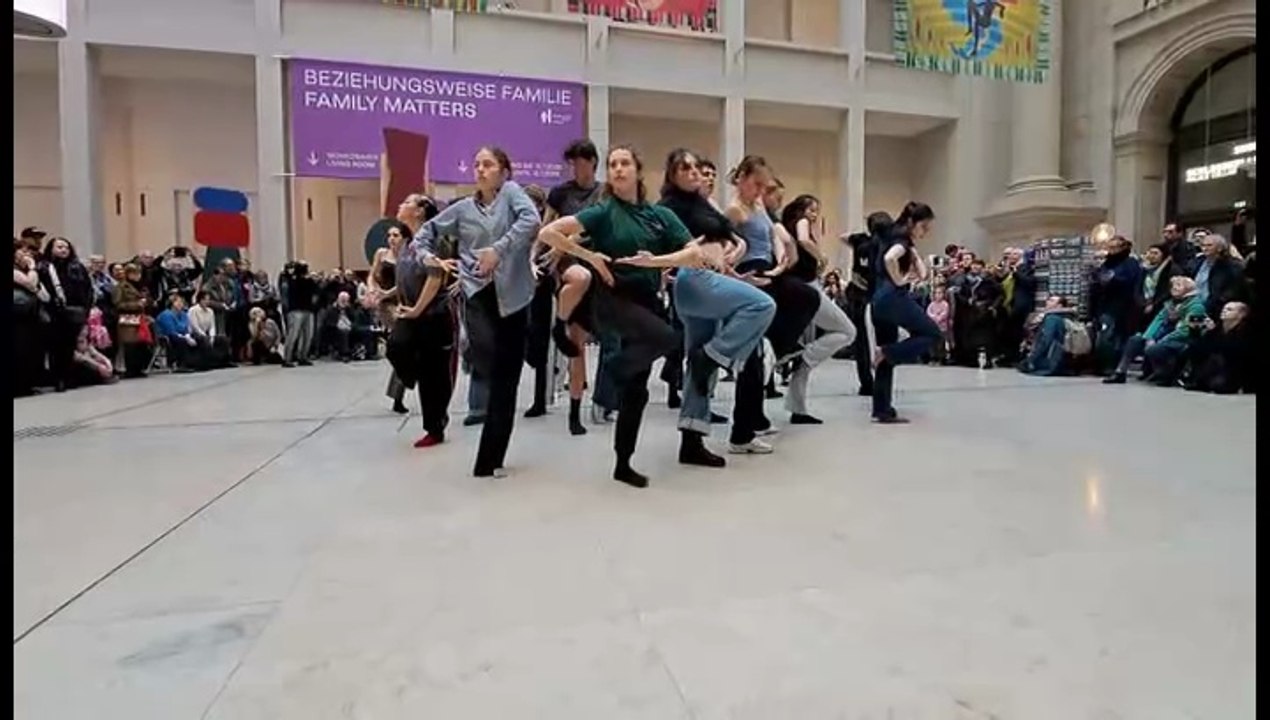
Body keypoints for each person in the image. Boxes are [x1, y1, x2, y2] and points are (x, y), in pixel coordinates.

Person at [538, 144, 708, 488]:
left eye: (624, 163)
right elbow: (548, 233)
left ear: (637, 171)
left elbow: (694, 254)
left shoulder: (660, 216)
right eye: (613, 164)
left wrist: (655, 262)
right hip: (613, 298)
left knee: (637, 389)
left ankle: (622, 463)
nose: (617, 169)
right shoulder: (602, 212)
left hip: (646, 300)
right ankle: (614, 368)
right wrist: (591, 256)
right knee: (666, 338)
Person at [411, 146, 540, 478]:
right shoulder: (462, 209)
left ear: (504, 171)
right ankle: (489, 455)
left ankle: (490, 459)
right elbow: (425, 234)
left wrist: (498, 249)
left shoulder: (512, 194)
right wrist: (429, 258)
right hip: (478, 294)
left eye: (488, 164)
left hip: (514, 296)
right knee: (489, 363)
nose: (480, 169)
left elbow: (532, 220)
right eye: (477, 164)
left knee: (506, 379)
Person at [658, 148, 776, 467]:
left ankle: (691, 441)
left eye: (696, 167)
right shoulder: (669, 206)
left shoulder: (701, 202)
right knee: (763, 305)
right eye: (685, 168)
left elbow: (730, 238)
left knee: (697, 372)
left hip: (707, 281)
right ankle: (714, 356)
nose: (694, 172)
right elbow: (665, 245)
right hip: (694, 281)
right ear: (672, 174)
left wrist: (732, 255)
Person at [726, 156, 820, 450]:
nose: (759, 191)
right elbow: (724, 246)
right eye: (756, 184)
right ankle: (742, 431)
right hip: (752, 276)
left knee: (805, 299)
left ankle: (751, 422)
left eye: (764, 186)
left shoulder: (757, 206)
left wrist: (784, 249)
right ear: (741, 178)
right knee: (754, 358)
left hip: (769, 272)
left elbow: (775, 234)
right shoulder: (735, 209)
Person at [544, 138, 607, 431]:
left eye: (581, 161)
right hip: (566, 264)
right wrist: (539, 257)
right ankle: (559, 322)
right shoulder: (560, 193)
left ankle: (574, 411)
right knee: (579, 278)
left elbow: (597, 227)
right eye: (573, 162)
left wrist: (570, 241)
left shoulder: (603, 193)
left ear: (592, 161)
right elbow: (546, 227)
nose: (577, 168)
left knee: (577, 345)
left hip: (591, 258)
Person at [779, 193, 856, 424]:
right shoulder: (801, 224)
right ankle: (804, 355)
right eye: (811, 210)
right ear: (801, 210)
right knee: (847, 331)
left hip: (800, 288)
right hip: (807, 289)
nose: (814, 215)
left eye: (816, 211)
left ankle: (797, 408)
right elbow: (803, 240)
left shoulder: (785, 226)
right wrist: (821, 256)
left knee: (804, 362)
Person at [869, 202, 944, 423]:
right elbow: (890, 259)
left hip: (878, 301)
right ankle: (887, 352)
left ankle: (882, 409)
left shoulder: (889, 236)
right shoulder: (901, 241)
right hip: (893, 297)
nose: (926, 231)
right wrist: (900, 279)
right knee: (932, 334)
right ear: (912, 222)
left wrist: (912, 251)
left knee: (885, 359)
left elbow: (921, 273)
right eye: (924, 226)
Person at [392, 229, 460, 448]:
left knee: (436, 374)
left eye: (410, 203)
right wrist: (389, 296)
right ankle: (412, 377)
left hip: (434, 314)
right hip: (411, 311)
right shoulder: (406, 247)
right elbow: (403, 279)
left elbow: (435, 278)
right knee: (395, 347)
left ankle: (435, 426)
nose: (403, 205)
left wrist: (417, 309)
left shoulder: (435, 242)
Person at [1103, 276, 1207, 385]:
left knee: (1155, 348)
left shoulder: (1196, 307)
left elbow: (1185, 330)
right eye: (1173, 286)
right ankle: (1120, 372)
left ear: (1188, 289)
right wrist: (1148, 337)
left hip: (1182, 340)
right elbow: (1157, 321)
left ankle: (1165, 374)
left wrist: (1161, 340)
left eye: (1179, 285)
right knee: (1135, 340)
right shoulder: (1170, 304)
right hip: (1164, 336)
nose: (1174, 288)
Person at [38, 237, 95, 392]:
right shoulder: (43, 267)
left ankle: (69, 376)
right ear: (51, 249)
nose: (63, 250)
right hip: (53, 312)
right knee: (55, 346)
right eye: (59, 247)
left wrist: (86, 309)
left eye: (66, 247)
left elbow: (87, 290)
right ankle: (58, 378)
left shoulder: (77, 267)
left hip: (74, 311)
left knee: (70, 346)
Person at [1183, 301, 1254, 394]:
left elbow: (1233, 352)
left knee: (1218, 357)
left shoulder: (1246, 331)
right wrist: (1194, 331)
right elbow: (1200, 349)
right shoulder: (1217, 329)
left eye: (1229, 309)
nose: (1224, 311)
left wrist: (1213, 335)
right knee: (1193, 351)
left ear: (1240, 315)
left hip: (1236, 370)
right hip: (1216, 369)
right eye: (1224, 309)